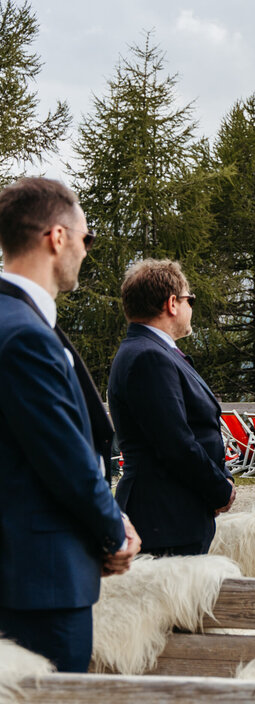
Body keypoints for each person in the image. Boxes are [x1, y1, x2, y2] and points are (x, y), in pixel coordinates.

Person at [0, 177, 140, 671]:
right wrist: (114, 533)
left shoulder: (18, 320)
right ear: (56, 237)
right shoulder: (24, 336)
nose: (86, 249)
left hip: (23, 570)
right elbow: (64, 458)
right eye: (87, 237)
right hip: (40, 581)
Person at [107, 260, 235, 556]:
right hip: (163, 520)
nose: (192, 307)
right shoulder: (148, 358)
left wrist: (222, 473)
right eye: (190, 299)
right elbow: (175, 441)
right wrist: (220, 489)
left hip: (172, 515)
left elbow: (196, 430)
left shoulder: (152, 351)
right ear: (172, 303)